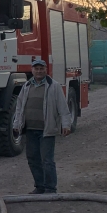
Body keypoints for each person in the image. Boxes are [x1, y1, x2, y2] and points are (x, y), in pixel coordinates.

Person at [12, 58, 72, 194]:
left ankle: (50, 188)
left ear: (46, 70)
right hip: (30, 130)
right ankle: (39, 186)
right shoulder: (26, 86)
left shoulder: (53, 86)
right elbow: (19, 107)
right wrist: (17, 124)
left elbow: (63, 107)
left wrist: (66, 124)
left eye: (41, 69)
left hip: (47, 130)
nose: (39, 71)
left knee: (47, 161)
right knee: (33, 159)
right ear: (32, 70)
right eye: (36, 68)